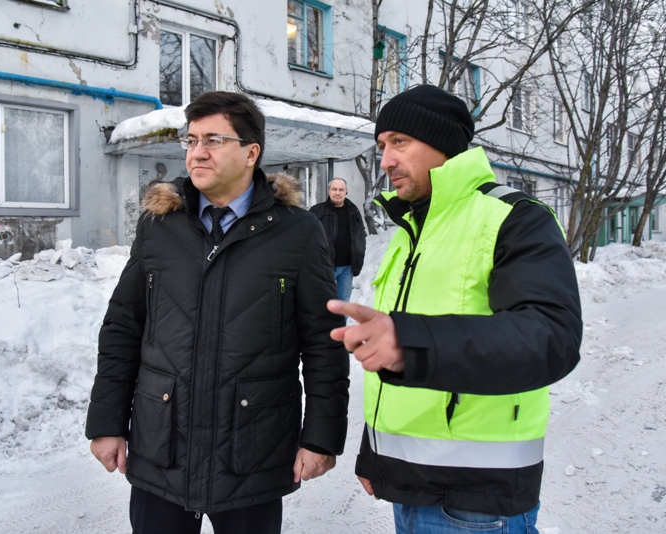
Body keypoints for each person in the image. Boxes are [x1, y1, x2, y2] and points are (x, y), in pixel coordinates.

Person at [85, 91, 349, 534]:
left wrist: (321, 437)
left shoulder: (297, 232)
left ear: (251, 152)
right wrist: (107, 422)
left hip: (251, 453)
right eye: (191, 141)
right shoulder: (159, 225)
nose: (197, 152)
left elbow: (324, 342)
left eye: (213, 140)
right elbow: (123, 326)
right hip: (162, 448)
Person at [327, 85, 582, 533]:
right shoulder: (412, 228)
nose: (385, 160)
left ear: (441, 143)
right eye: (382, 145)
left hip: (477, 500)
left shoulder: (514, 217)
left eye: (399, 142)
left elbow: (550, 337)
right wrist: (376, 456)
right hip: (410, 485)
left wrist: (411, 342)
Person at [310, 178, 367, 302]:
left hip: (347, 267)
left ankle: (341, 318)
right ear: (329, 191)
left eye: (341, 189)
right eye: (334, 189)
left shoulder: (353, 211)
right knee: (322, 301)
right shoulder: (317, 211)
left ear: (346, 191)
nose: (337, 192)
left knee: (343, 301)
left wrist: (358, 258)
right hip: (325, 267)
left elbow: (360, 236)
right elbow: (307, 238)